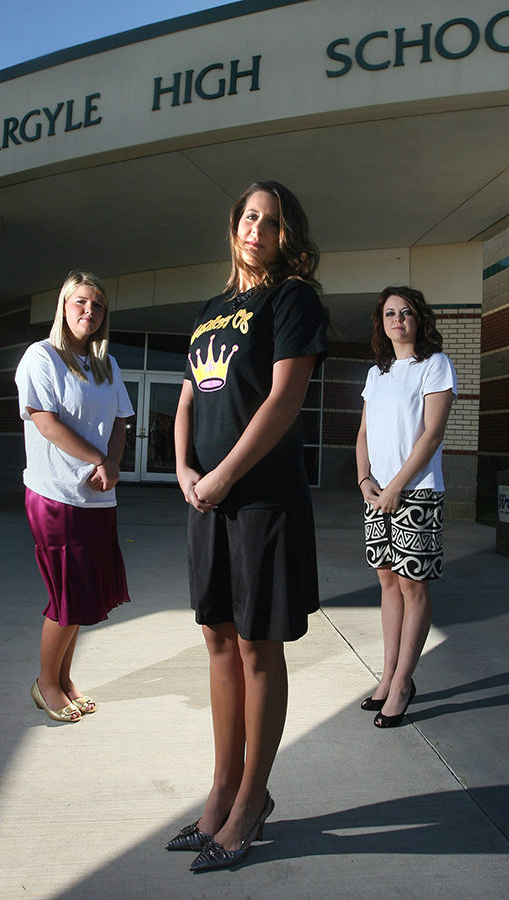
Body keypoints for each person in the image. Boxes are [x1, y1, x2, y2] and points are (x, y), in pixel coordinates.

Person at [169, 181, 328, 871]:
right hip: (206, 497)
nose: (258, 228)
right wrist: (181, 470)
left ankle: (251, 800)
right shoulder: (211, 311)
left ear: (288, 234)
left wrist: (226, 474)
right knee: (217, 638)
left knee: (259, 646)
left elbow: (287, 397)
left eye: (273, 220)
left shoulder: (291, 298)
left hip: (261, 498)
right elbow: (186, 395)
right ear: (235, 226)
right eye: (250, 216)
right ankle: (221, 791)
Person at [15, 269, 134, 724]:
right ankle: (46, 682)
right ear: (64, 307)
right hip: (56, 495)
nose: (90, 310)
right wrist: (96, 460)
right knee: (67, 594)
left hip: (98, 499)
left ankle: (64, 679)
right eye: (81, 302)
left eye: (98, 305)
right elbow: (44, 420)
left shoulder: (106, 364)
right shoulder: (41, 357)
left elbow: (121, 420)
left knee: (82, 595)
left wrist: (114, 464)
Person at [356, 286, 457, 728]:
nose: (398, 319)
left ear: (419, 318)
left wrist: (397, 486)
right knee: (387, 581)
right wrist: (364, 479)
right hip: (378, 494)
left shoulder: (434, 366)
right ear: (381, 321)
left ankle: (402, 683)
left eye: (406, 312)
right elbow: (362, 435)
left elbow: (431, 435)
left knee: (412, 585)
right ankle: (388, 675)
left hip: (417, 492)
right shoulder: (376, 373)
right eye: (390, 313)